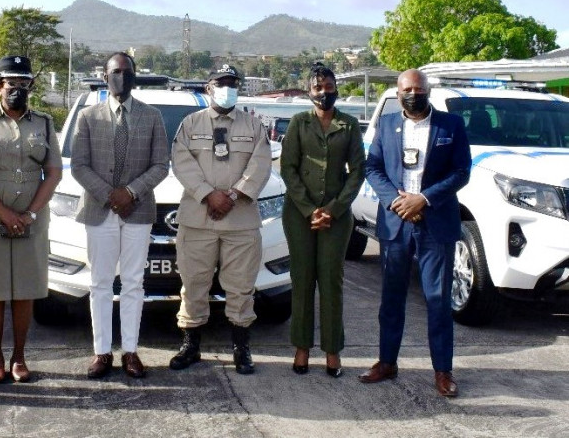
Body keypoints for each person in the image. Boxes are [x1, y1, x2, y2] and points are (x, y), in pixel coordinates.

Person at [359, 68, 470, 397]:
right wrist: (396, 200)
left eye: (419, 89)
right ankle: (387, 363)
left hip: (435, 223)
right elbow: (373, 166)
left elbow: (461, 171)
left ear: (428, 90)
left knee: (437, 301)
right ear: (397, 92)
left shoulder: (451, 126)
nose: (413, 93)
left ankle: (442, 370)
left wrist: (423, 199)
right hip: (396, 223)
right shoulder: (388, 124)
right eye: (407, 89)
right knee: (391, 299)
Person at [70, 52, 169, 379]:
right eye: (115, 72)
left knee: (133, 284)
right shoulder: (88, 116)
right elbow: (80, 165)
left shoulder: (152, 116)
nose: (121, 78)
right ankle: (101, 352)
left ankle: (130, 351)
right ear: (104, 75)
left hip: (138, 212)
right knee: (99, 283)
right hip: (100, 212)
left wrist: (131, 192)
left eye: (126, 72)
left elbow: (160, 165)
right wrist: (108, 194)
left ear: (134, 76)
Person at [170, 64, 273, 375]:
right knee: (193, 284)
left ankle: (241, 348)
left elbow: (261, 164)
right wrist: (208, 194)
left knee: (242, 287)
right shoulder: (190, 124)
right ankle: (191, 345)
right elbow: (181, 162)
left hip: (239, 221)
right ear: (208, 88)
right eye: (221, 83)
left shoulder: (254, 127)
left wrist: (231, 197)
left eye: (233, 83)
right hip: (198, 220)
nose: (228, 88)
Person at [0, 55, 61, 384]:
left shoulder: (44, 123)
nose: (17, 88)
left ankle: (19, 357)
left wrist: (30, 213)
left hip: (31, 222)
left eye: (23, 83)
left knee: (24, 292)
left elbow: (54, 172)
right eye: (10, 82)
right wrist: (4, 213)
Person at [280, 63, 365, 378]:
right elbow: (288, 168)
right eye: (318, 87)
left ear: (336, 88)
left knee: (331, 281)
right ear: (309, 91)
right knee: (302, 280)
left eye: (328, 86)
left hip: (337, 216)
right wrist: (308, 209)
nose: (324, 92)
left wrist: (333, 209)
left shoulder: (349, 124)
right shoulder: (298, 123)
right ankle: (302, 348)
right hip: (300, 215)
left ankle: (332, 351)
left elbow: (357, 170)